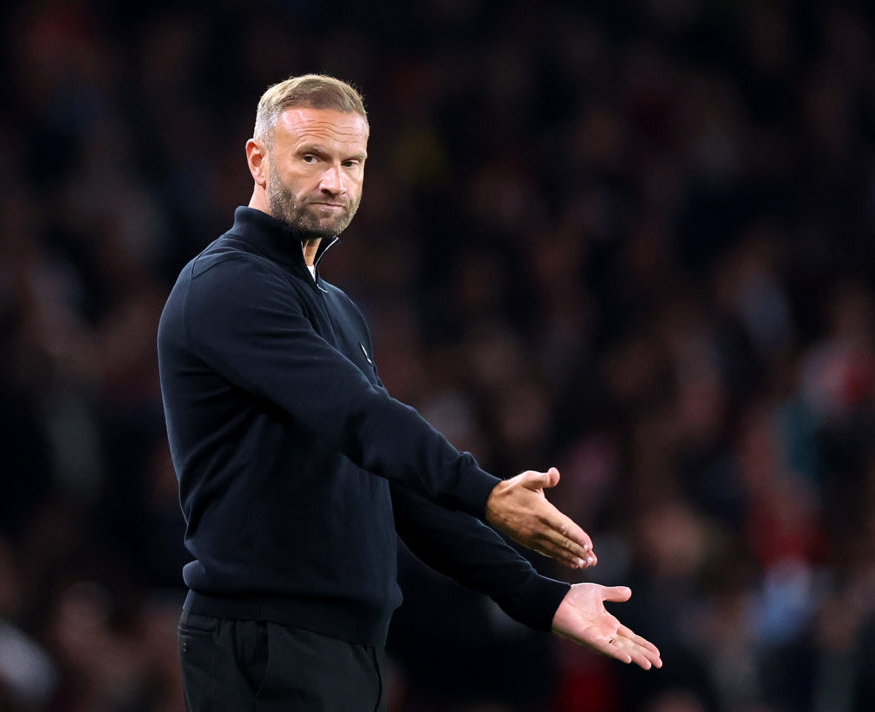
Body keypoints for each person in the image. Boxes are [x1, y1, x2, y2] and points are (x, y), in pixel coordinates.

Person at [157, 73, 661, 711]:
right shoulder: (226, 287)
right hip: (267, 647)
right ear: (258, 160)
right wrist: (486, 494)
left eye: (351, 163)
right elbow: (362, 418)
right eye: (311, 158)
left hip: (341, 648)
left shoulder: (337, 307)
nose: (334, 182)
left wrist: (539, 595)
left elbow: (395, 488)